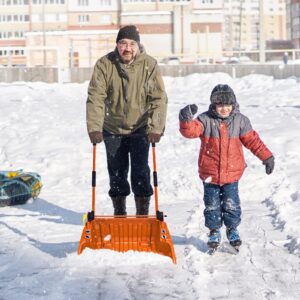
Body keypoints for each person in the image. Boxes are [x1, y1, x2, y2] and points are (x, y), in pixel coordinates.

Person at [179, 84, 274, 249]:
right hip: (210, 173)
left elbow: (253, 141)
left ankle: (232, 229)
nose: (224, 109)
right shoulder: (205, 119)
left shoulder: (240, 121)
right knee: (212, 205)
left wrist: (266, 156)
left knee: (231, 204)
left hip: (232, 173)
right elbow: (190, 132)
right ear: (214, 105)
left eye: (227, 105)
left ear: (234, 104)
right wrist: (186, 119)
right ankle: (214, 230)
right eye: (220, 105)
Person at [86, 25, 168, 216]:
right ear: (117, 45)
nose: (127, 48)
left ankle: (142, 215)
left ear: (138, 46)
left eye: (132, 44)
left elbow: (158, 98)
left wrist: (155, 127)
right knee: (116, 174)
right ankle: (120, 214)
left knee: (140, 172)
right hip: (112, 128)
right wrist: (94, 127)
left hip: (140, 128)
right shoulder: (105, 64)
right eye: (123, 43)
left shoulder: (149, 65)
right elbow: (95, 97)